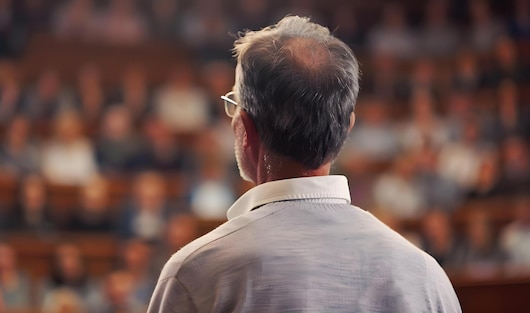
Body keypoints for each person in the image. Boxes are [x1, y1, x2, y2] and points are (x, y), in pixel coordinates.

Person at [148, 16, 461, 312]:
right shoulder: (423, 275)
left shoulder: (196, 275)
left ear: (245, 128)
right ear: (346, 128)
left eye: (234, 103)